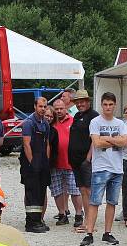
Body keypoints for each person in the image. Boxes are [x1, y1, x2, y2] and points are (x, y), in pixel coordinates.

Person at [80, 92, 127, 246]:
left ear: (114, 105)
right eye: (105, 104)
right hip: (101, 167)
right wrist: (116, 141)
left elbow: (125, 142)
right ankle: (89, 233)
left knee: (112, 202)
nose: (108, 107)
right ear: (101, 105)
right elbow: (96, 143)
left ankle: (107, 233)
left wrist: (107, 139)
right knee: (95, 201)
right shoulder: (95, 122)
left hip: (117, 168)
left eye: (110, 104)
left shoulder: (121, 123)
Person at [49, 98, 83, 227]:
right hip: (55, 163)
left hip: (71, 163)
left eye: (61, 108)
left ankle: (79, 214)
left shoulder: (73, 121)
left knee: (75, 190)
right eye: (56, 109)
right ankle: (62, 214)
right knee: (57, 191)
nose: (58, 111)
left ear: (66, 108)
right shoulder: (51, 122)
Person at [68, 90, 99, 231]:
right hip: (75, 160)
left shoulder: (94, 117)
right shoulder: (76, 116)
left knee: (89, 191)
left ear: (88, 101)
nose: (80, 104)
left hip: (86, 161)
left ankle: (90, 222)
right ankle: (87, 220)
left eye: (82, 101)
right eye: (77, 102)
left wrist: (88, 158)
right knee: (83, 190)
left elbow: (95, 139)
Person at [19, 97, 51, 233]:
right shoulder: (28, 123)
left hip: (42, 162)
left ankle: (38, 220)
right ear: (35, 107)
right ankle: (30, 223)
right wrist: (32, 163)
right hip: (31, 163)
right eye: (40, 106)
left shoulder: (46, 124)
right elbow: (26, 144)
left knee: (41, 191)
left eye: (45, 106)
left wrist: (46, 162)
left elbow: (48, 144)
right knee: (32, 192)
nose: (43, 109)